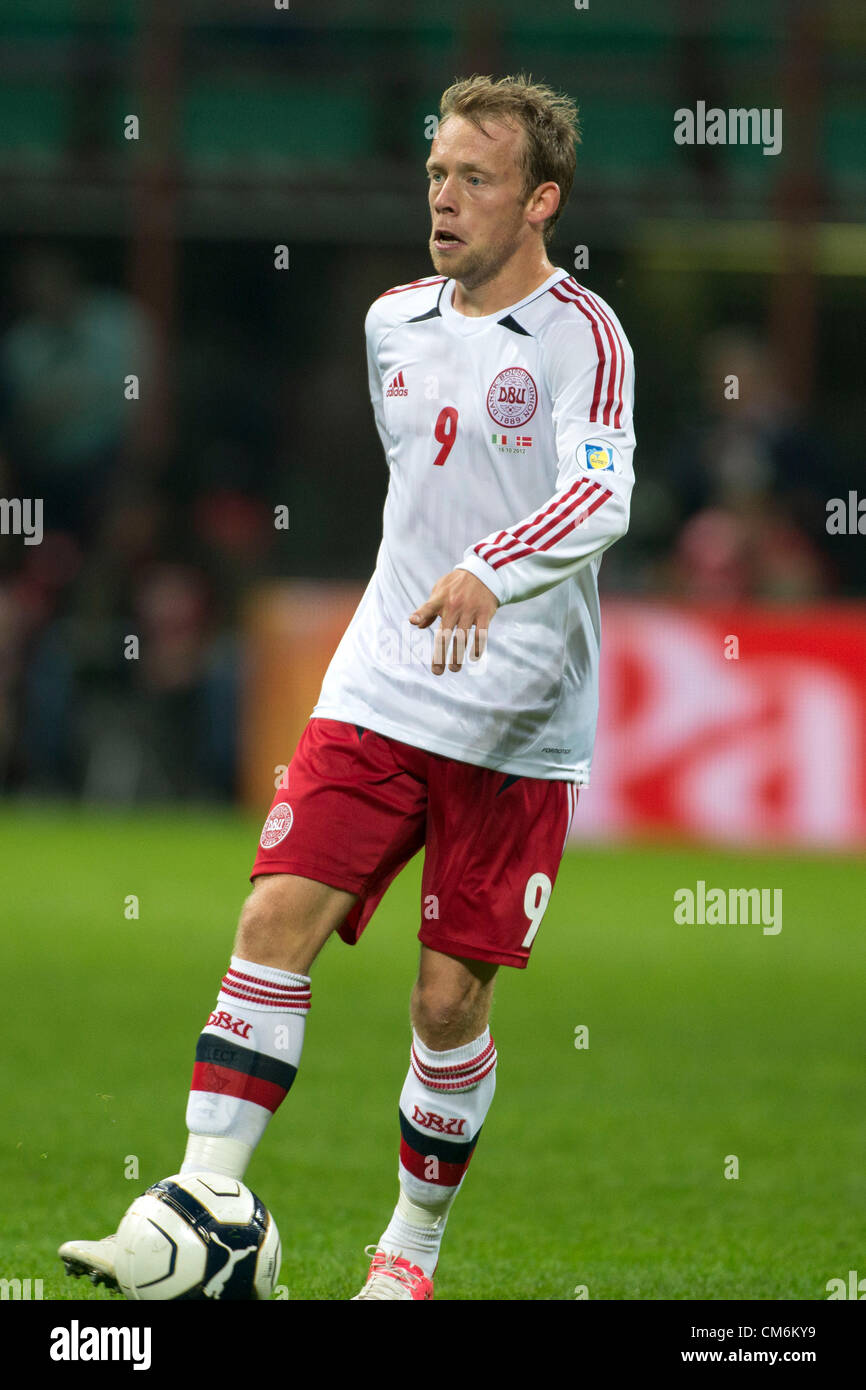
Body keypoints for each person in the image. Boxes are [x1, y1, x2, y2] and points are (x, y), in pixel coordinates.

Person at [59, 72, 636, 1301]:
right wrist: (434, 572)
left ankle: (406, 1254)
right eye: (435, 171)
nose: (443, 196)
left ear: (538, 201)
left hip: (517, 721)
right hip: (378, 684)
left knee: (442, 1004)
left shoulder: (588, 338)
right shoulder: (390, 322)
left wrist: (493, 565)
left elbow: (600, 495)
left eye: (474, 179)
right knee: (272, 922)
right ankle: (202, 1200)